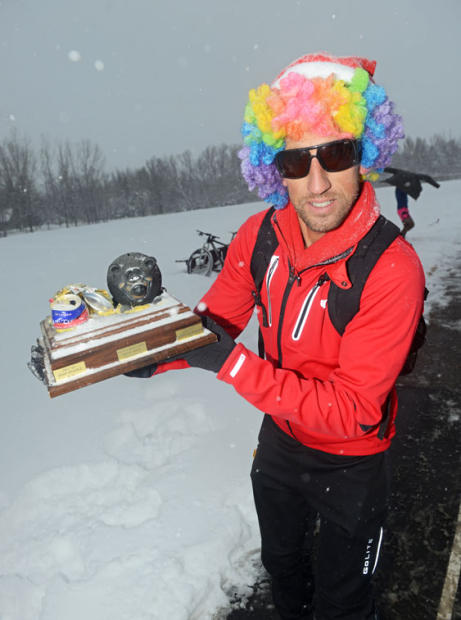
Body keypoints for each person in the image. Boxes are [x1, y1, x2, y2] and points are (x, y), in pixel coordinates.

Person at [30, 53, 426, 620]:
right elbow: (212, 326)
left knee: (344, 602)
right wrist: (133, 353)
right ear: (274, 167)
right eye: (295, 161)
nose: (316, 183)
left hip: (353, 461)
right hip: (282, 443)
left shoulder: (391, 267)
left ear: (365, 155)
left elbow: (352, 411)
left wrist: (231, 364)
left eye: (337, 154)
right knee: (282, 566)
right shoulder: (260, 236)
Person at [382, 167, 440, 237]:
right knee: (410, 224)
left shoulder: (401, 185)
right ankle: (400, 236)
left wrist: (381, 168)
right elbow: (425, 177)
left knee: (409, 225)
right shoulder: (401, 189)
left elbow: (390, 170)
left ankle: (401, 235)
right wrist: (435, 184)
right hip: (402, 210)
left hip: (403, 209)